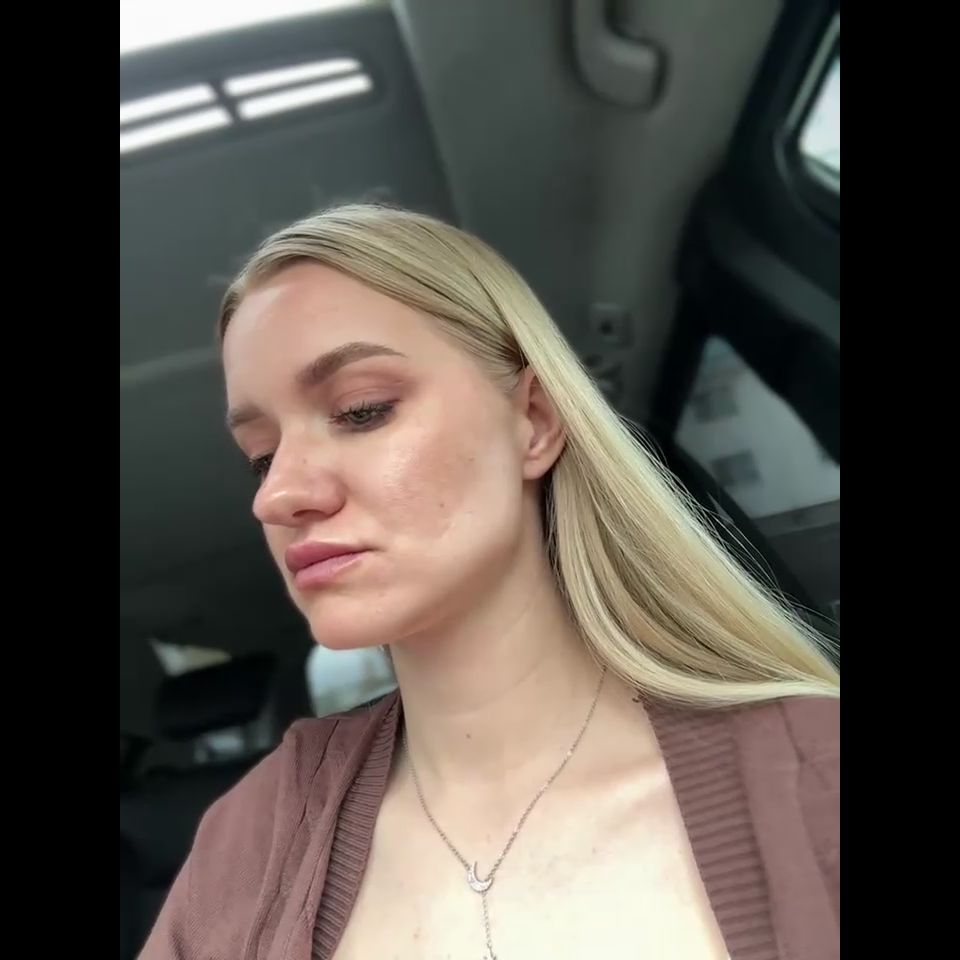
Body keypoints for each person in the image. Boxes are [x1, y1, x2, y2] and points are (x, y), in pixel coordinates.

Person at [140, 204, 839, 960]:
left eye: (361, 411)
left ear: (533, 420)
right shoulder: (245, 851)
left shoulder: (816, 771)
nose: (277, 495)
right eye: (261, 456)